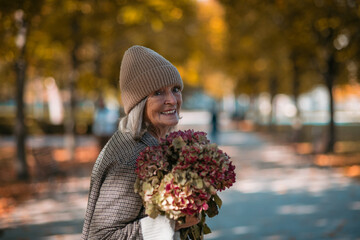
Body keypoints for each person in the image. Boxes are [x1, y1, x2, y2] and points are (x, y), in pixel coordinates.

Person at [82, 45, 199, 240]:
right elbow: (101, 236)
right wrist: (172, 222)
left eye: (176, 89)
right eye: (158, 93)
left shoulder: (152, 143)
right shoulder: (132, 155)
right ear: (139, 103)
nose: (172, 100)